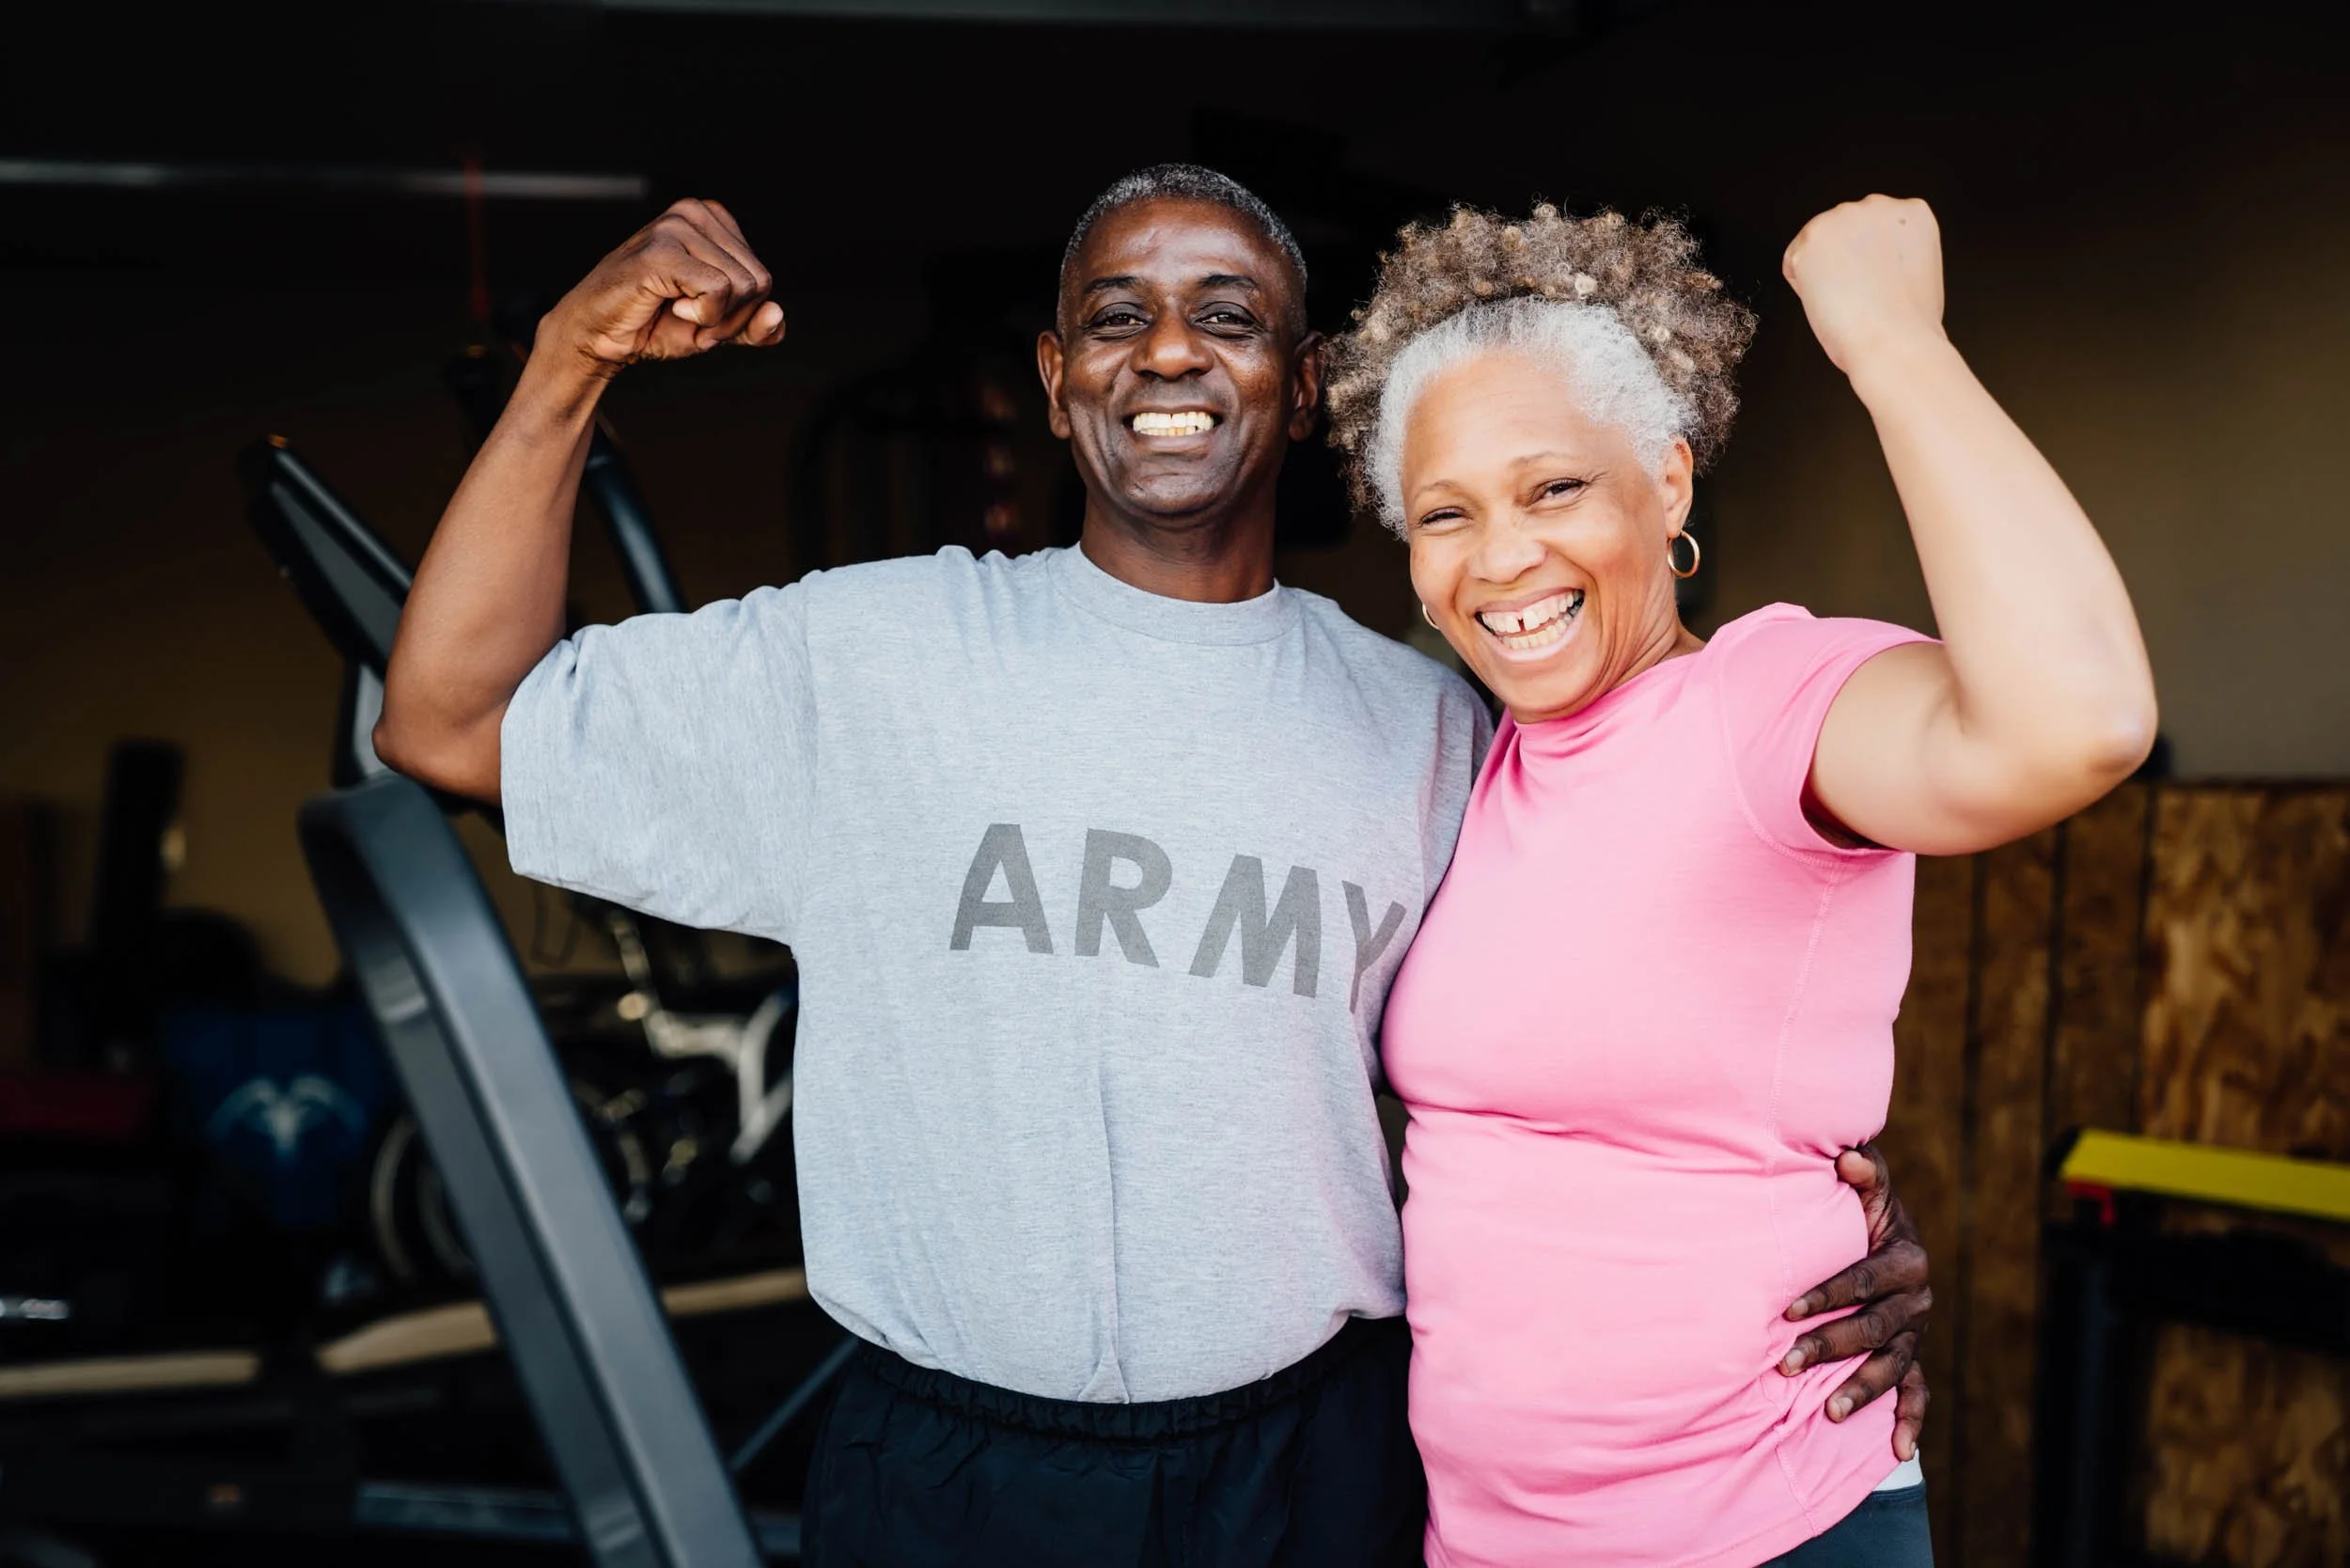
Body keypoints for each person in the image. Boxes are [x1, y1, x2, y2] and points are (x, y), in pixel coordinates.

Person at [376, 165, 1935, 1567]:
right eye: (1117, 318)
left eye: (1228, 315)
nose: (1172, 354)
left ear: (1306, 382)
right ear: (1058, 386)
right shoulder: (859, 660)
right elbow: (447, 721)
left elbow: (1645, 1028)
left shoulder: (1441, 725)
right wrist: (570, 362)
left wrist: (1804, 1226)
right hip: (948, 1475)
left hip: (1318, 1466)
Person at [1325, 195, 2156, 1567]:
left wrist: (1895, 345)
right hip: (1486, 1540)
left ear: (1667, 482)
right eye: (1444, 514)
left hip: (1761, 1526)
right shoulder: (1469, 768)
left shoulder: (1764, 701)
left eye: (1555, 488)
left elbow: (2081, 722)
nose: (1502, 558)